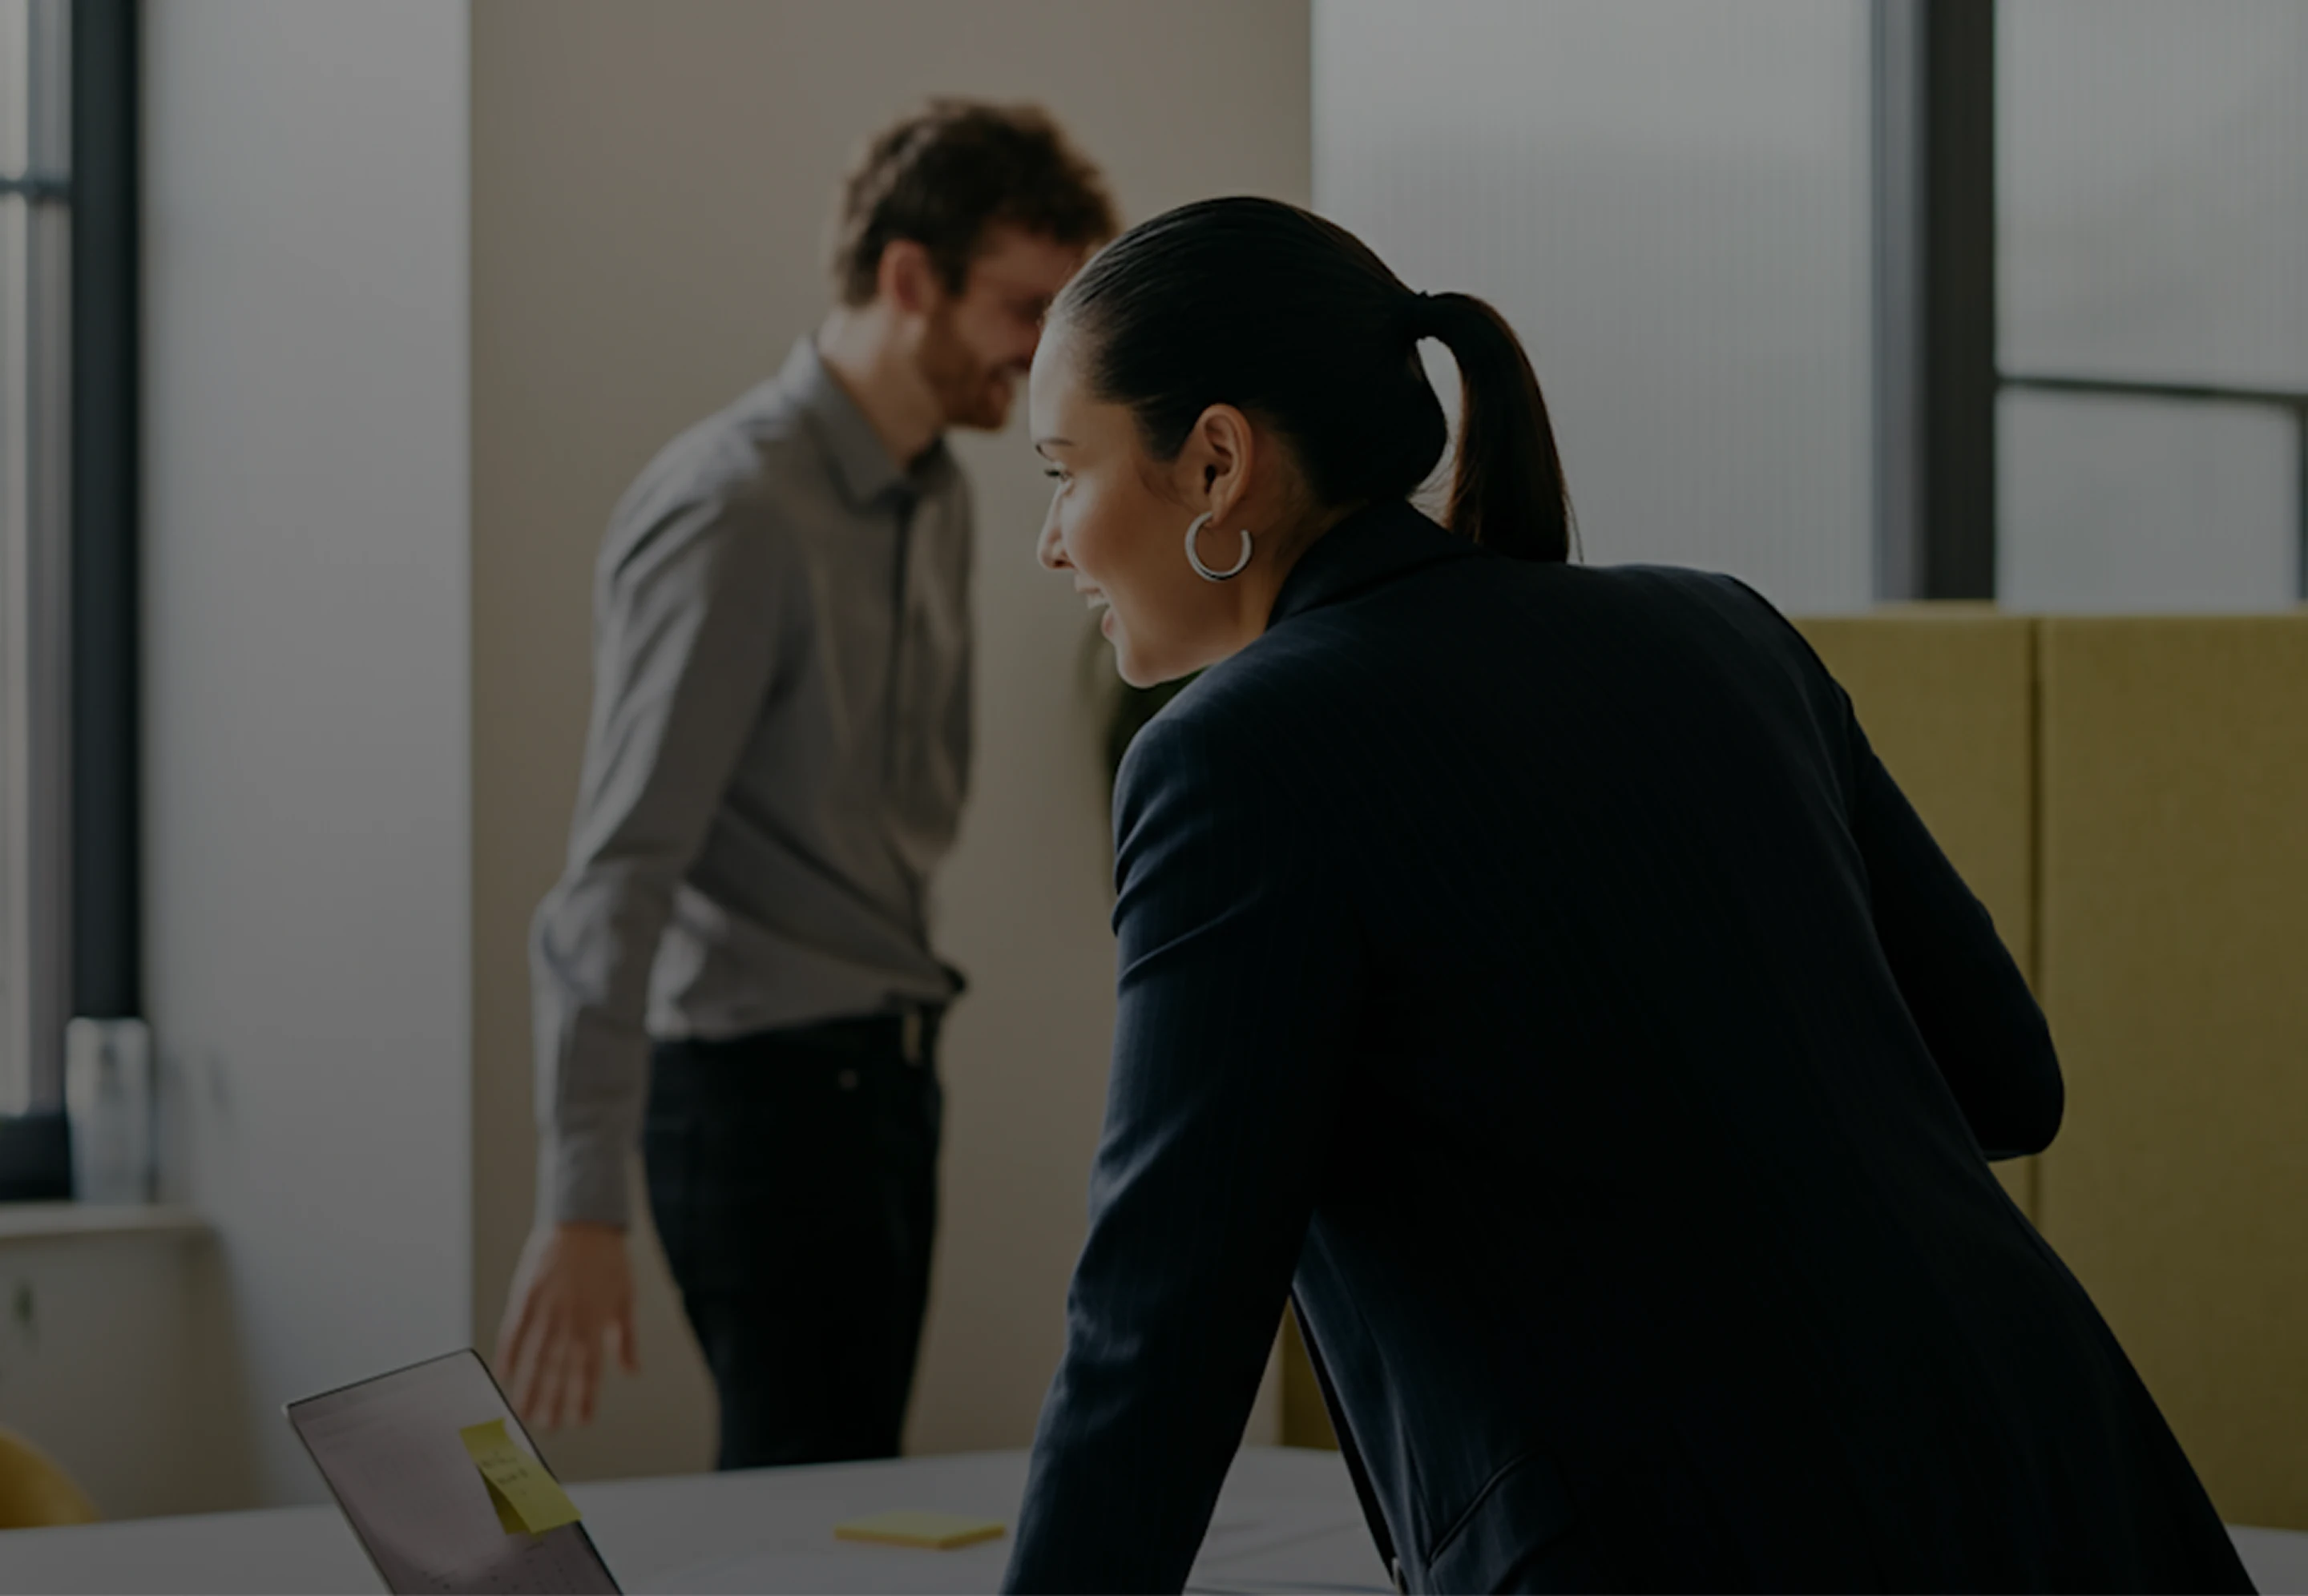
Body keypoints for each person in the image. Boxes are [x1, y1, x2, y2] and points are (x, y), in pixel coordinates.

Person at [1005, 195, 2254, 1594]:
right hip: (2072, 1483)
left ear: (1217, 461)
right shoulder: (1723, 628)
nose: (1053, 540)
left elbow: (1157, 1342)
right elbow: (2010, 1083)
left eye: (1064, 469)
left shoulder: (1232, 761)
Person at [494, 101, 1116, 1470]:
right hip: (759, 1097)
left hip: (884, 1079)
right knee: (798, 1511)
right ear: (910, 279)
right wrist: (579, 1202)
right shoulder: (735, 509)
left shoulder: (939, 499)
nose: (1044, 352)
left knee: (844, 1500)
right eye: (1027, 305)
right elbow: (621, 871)